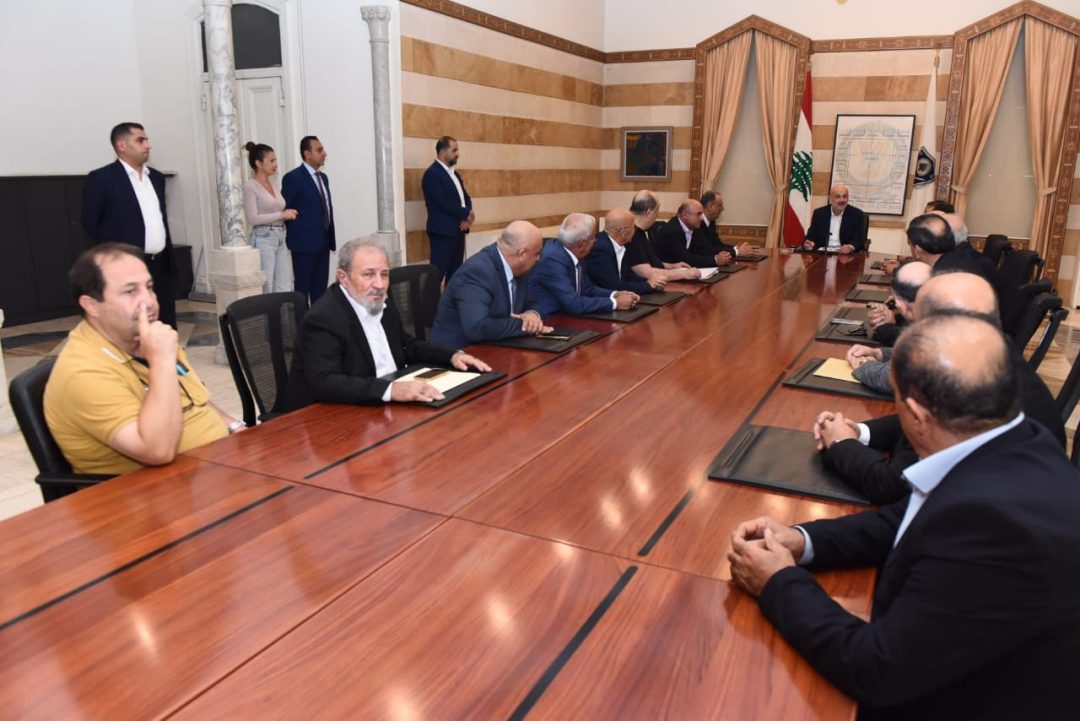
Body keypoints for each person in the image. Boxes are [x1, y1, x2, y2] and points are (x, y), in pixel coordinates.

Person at [730, 314, 1080, 719]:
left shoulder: (993, 523)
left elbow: (877, 670)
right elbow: (905, 518)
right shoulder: (1018, 439)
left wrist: (777, 581)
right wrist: (803, 540)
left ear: (915, 414)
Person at [816, 272, 1064, 503]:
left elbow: (892, 485)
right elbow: (922, 423)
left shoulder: (964, 378)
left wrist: (841, 443)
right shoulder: (990, 353)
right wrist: (860, 431)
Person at [43, 244, 236, 476]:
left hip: (213, 467)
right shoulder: (83, 372)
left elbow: (197, 401)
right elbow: (158, 451)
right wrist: (161, 361)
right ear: (91, 305)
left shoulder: (148, 337)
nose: (149, 301)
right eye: (130, 292)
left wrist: (237, 429)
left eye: (149, 287)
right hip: (151, 490)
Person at [286, 240, 491, 410]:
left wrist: (451, 356)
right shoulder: (323, 318)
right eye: (368, 274)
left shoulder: (379, 300)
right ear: (343, 277)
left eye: (384, 274)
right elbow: (325, 382)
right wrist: (391, 390)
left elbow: (406, 345)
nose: (379, 284)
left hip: (384, 404)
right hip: (328, 416)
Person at [82, 122, 178, 328]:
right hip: (127, 266)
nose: (147, 145)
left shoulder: (156, 178)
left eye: (146, 140)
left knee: (164, 323)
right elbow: (90, 223)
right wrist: (114, 259)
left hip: (159, 264)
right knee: (134, 325)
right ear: (122, 145)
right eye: (140, 140)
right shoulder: (102, 178)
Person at [430, 221, 551, 350]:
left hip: (500, 346)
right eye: (536, 254)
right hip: (460, 352)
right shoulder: (477, 271)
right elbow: (477, 328)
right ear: (521, 254)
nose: (538, 259)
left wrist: (532, 314)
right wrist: (525, 325)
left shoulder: (519, 269)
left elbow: (531, 302)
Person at [530, 213, 639, 316]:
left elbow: (587, 289)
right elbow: (573, 304)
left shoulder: (575, 252)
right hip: (552, 319)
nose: (595, 241)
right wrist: (615, 303)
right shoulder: (552, 260)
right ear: (582, 244)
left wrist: (615, 294)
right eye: (593, 237)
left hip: (570, 316)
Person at [848, 261, 932, 393]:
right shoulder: (942, 316)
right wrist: (879, 353)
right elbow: (916, 354)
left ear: (899, 304)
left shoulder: (935, 329)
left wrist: (862, 364)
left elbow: (890, 379)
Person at [282, 135, 335, 304]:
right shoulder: (293, 178)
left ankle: (318, 319)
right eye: (319, 150)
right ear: (307, 154)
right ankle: (302, 320)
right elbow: (286, 211)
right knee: (302, 291)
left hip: (323, 242)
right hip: (303, 245)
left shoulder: (323, 178)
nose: (324, 153)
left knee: (320, 289)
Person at [243, 141, 298, 293]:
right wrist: (281, 214)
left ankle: (284, 310)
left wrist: (286, 213)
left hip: (280, 236)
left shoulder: (273, 184)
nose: (275, 164)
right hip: (263, 237)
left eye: (275, 160)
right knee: (266, 284)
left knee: (284, 283)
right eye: (271, 160)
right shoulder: (250, 186)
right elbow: (253, 218)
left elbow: (275, 209)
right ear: (258, 163)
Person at [421, 136, 474, 281]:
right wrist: (466, 214)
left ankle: (450, 298)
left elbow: (465, 198)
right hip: (442, 233)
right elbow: (442, 201)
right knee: (436, 275)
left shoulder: (455, 174)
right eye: (454, 150)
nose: (458, 154)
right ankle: (430, 298)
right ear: (443, 152)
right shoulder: (432, 174)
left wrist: (467, 216)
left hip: (458, 231)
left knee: (456, 275)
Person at [583, 208, 663, 295]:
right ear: (624, 232)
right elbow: (614, 286)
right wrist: (648, 286)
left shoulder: (619, 245)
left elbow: (626, 276)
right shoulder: (599, 249)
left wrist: (651, 282)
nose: (635, 231)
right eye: (634, 227)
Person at [626, 191, 700, 283]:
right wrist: (684, 274)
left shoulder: (639, 231)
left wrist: (671, 266)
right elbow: (646, 272)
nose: (657, 215)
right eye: (657, 210)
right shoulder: (631, 234)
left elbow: (647, 261)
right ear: (649, 212)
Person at [652, 199, 730, 268]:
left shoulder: (694, 228)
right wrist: (715, 260)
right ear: (685, 215)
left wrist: (721, 256)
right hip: (664, 273)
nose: (702, 218)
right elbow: (686, 259)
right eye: (698, 214)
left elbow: (704, 249)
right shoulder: (672, 231)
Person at [802, 183, 867, 254]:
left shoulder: (856, 214)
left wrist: (850, 247)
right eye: (838, 197)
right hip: (822, 254)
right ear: (830, 198)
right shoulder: (819, 214)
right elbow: (811, 236)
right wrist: (808, 243)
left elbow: (859, 239)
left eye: (844, 196)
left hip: (844, 256)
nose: (842, 200)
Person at [700, 190, 760, 262]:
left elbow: (718, 245)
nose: (722, 208)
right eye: (720, 205)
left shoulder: (711, 222)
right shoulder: (697, 223)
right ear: (710, 206)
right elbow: (708, 250)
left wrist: (736, 247)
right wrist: (737, 251)